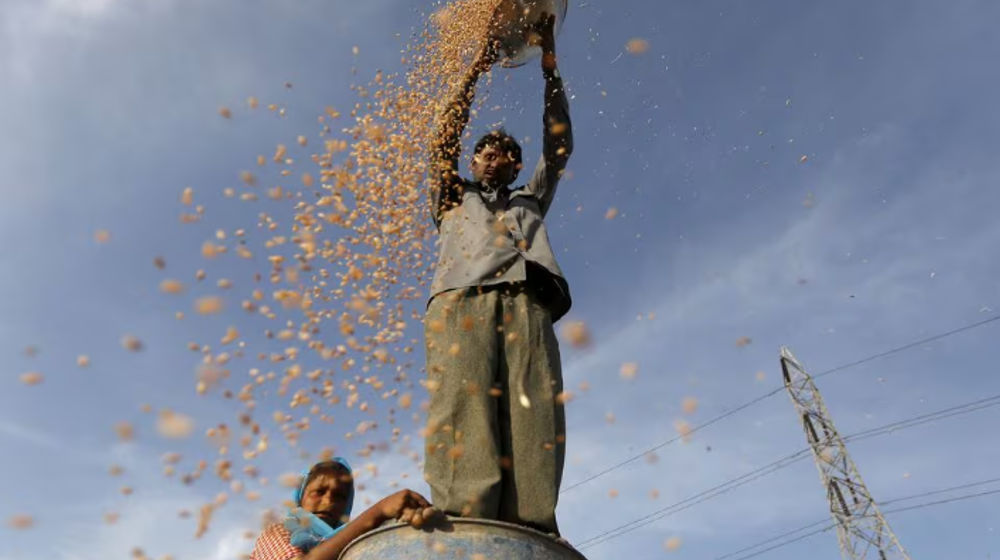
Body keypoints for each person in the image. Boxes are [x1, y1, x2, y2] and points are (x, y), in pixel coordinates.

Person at [424, 12, 573, 535]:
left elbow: (559, 148)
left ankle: (532, 525)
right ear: (474, 159)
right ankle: (466, 520)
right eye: (486, 152)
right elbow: (443, 135)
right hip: (460, 300)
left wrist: (549, 68)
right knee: (462, 405)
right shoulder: (451, 196)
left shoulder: (531, 198)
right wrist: (476, 68)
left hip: (527, 303)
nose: (494, 159)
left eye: (506, 155)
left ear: (515, 167)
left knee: (533, 413)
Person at [250, 458, 435, 560]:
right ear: (300, 496)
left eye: (339, 496)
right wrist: (378, 512)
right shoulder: (280, 532)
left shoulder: (353, 542)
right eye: (319, 492)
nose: (328, 500)